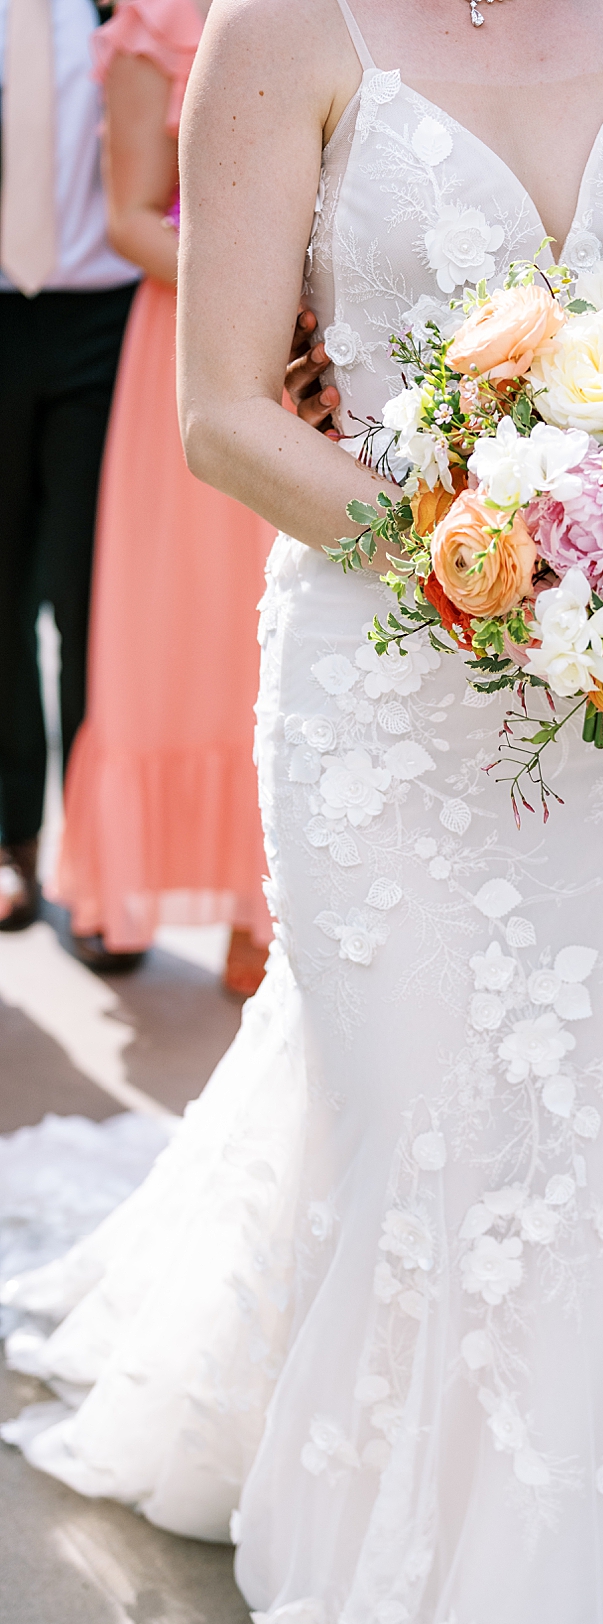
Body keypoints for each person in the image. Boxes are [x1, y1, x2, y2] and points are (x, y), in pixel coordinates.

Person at [2, 0, 603, 1624]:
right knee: (415, 1119)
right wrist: (490, 553)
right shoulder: (282, 28)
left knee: (597, 1131)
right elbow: (218, 411)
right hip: (390, 689)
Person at [50, 0, 277, 992]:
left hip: (328, 369)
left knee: (292, 631)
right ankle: (220, 895)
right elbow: (132, 218)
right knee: (195, 641)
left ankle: (272, 900)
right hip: (197, 357)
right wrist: (269, 285)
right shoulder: (154, 22)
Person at [0, 0, 140, 933]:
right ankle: (15, 841)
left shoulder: (122, 8)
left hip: (107, 326)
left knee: (96, 598)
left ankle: (100, 865)